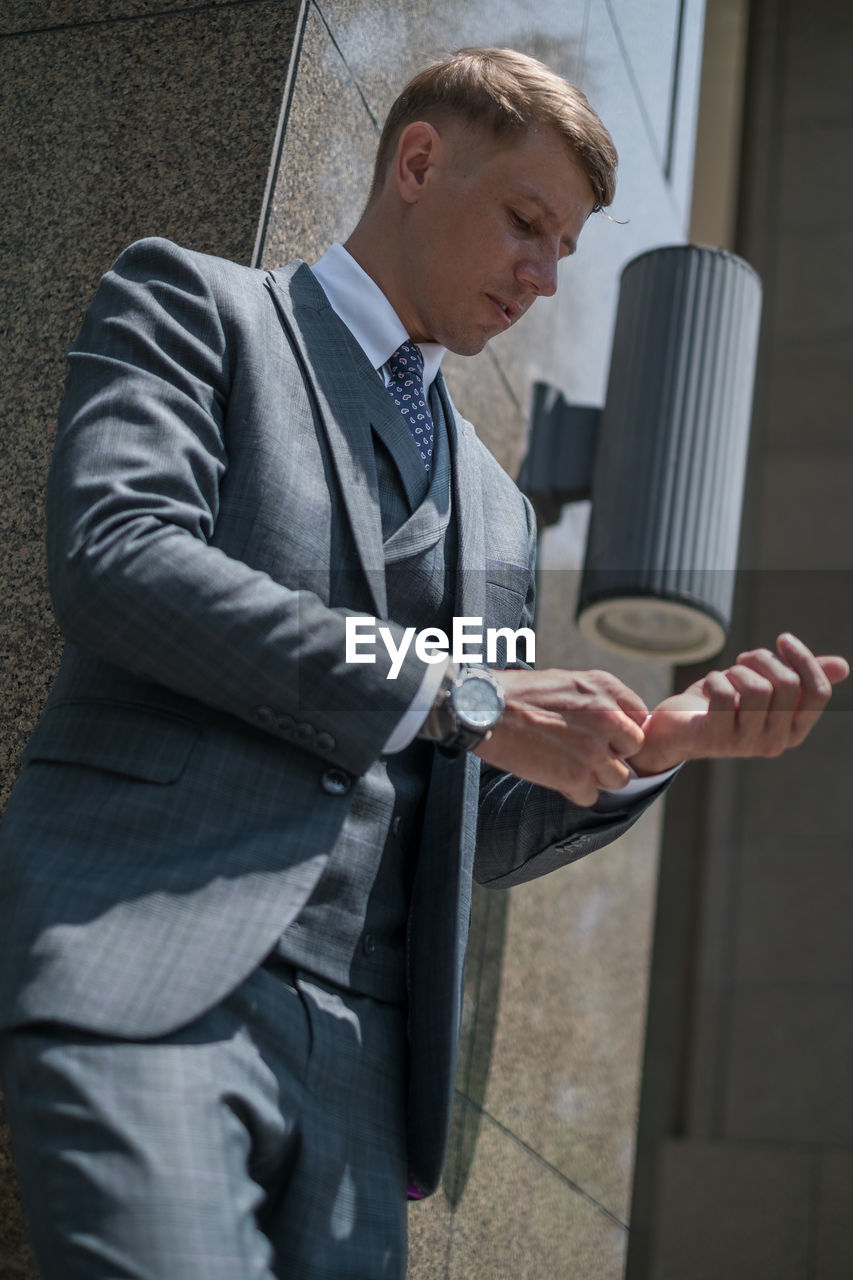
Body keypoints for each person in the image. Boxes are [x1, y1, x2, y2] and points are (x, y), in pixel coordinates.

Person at [0, 46, 846, 1280]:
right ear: (416, 161)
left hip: (364, 1075)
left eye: (563, 250)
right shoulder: (197, 309)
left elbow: (477, 820)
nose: (544, 277)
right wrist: (459, 694)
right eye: (526, 223)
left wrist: (654, 746)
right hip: (150, 971)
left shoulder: (500, 515)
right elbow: (119, 560)